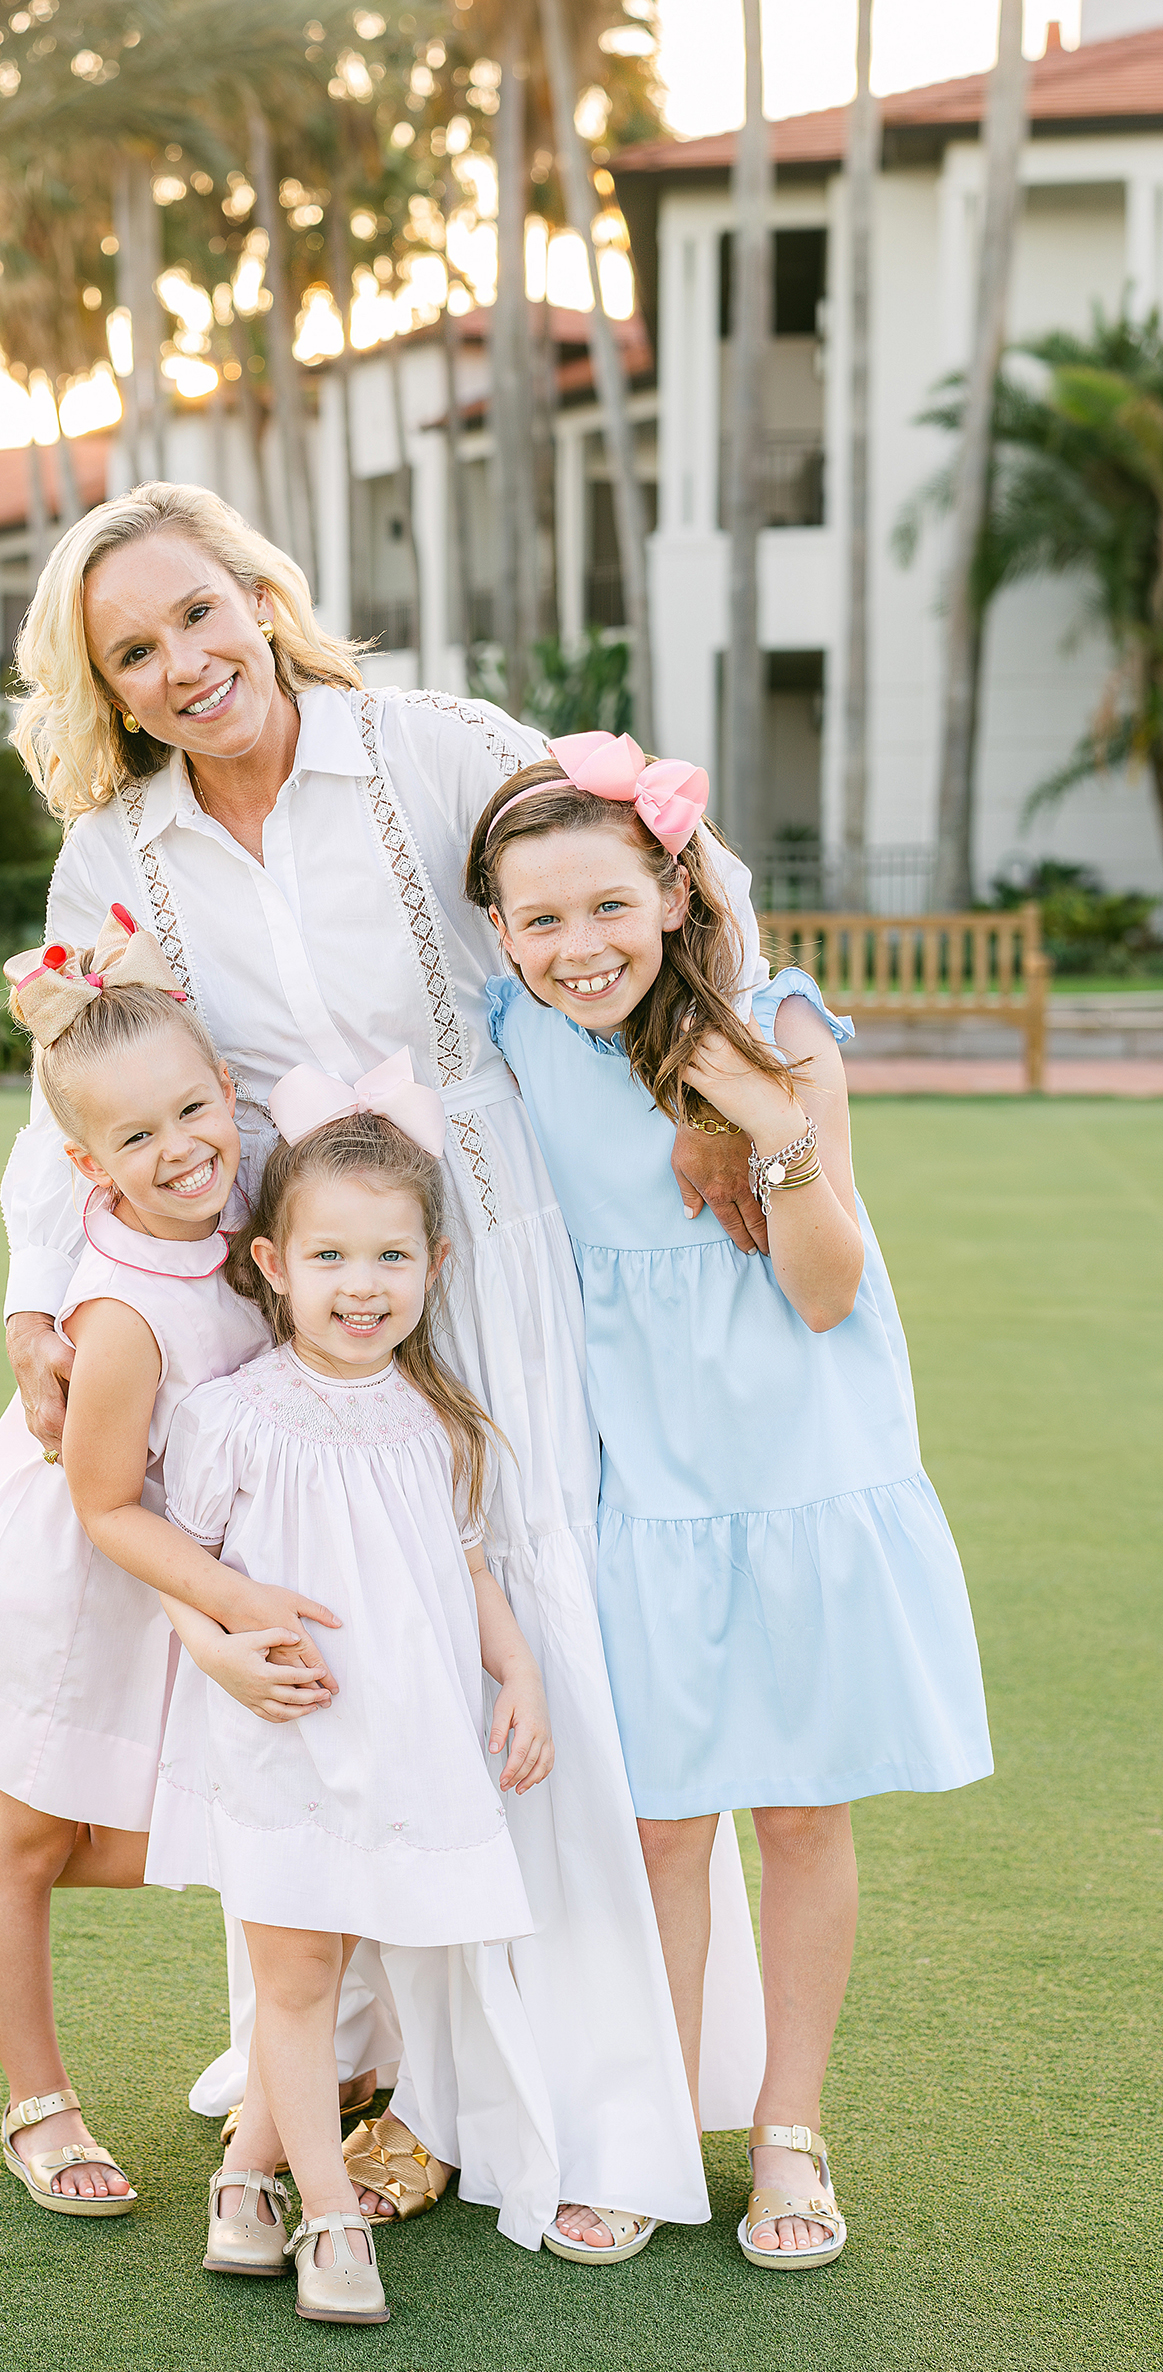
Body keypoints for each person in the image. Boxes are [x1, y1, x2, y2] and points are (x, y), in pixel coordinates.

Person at [0, 480, 769, 2255]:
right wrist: (36, 1296)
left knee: (512, 1611)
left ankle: (562, 2098)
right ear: (106, 692)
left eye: (199, 614)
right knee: (344, 1640)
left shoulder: (432, 744)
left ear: (261, 596)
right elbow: (76, 1092)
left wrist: (733, 1101)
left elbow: (667, 873)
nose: (184, 664)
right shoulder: (120, 855)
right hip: (289, 1280)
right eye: (134, 652)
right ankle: (353, 2051)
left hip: (483, 1242)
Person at [467, 730, 994, 2270]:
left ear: (674, 894)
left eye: (607, 908)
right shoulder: (508, 1034)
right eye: (539, 918)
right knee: (658, 1829)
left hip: (803, 1469)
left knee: (799, 1812)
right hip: (642, 1487)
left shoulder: (780, 1030)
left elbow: (827, 1294)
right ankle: (637, 2136)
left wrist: (770, 1132)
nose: (578, 947)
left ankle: (786, 2136)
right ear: (498, 933)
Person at [0, 911, 340, 2217]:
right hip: (73, 1575)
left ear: (229, 1097)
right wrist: (228, 1597)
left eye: (193, 1111)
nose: (178, 1149)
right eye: (135, 1138)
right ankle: (39, 2104)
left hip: (153, 1576)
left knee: (169, 1839)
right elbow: (99, 1501)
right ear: (87, 1166)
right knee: (35, 1842)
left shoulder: (234, 1231)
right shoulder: (120, 1304)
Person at [144, 1094, 550, 2324]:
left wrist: (517, 1672)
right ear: (269, 1267)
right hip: (281, 1738)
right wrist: (216, 1654)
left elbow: (465, 1564)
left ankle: (241, 2177)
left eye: (388, 1257)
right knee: (299, 1973)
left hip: (401, 1746)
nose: (359, 1286)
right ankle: (328, 2218)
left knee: (333, 1959)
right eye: (326, 1256)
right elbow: (175, 1560)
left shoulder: (437, 1419)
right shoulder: (231, 1416)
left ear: (433, 1264)